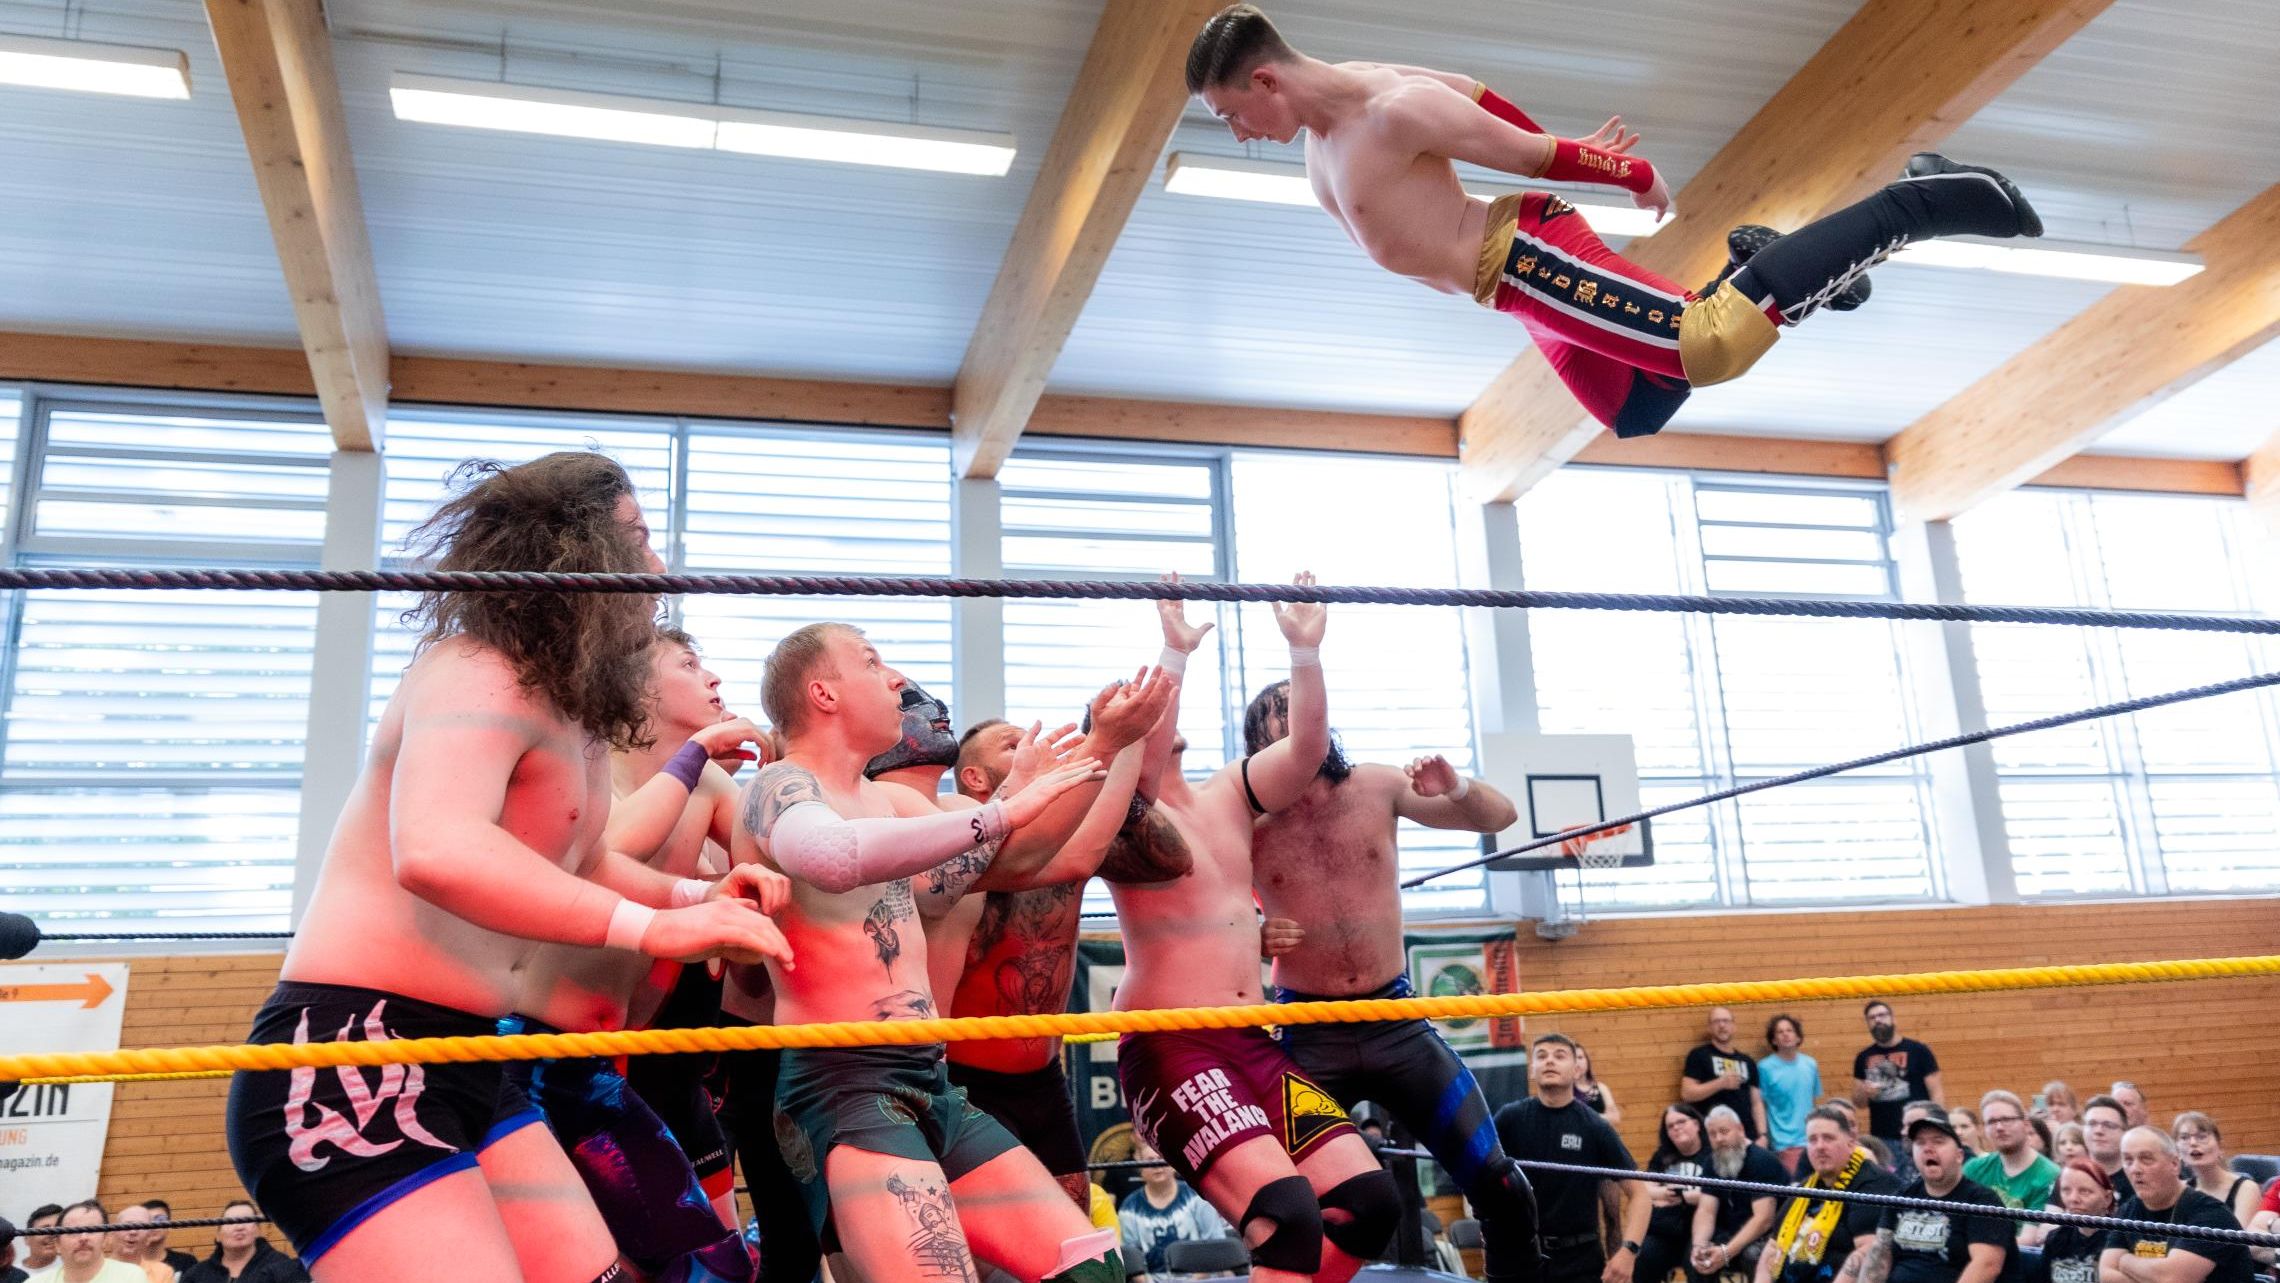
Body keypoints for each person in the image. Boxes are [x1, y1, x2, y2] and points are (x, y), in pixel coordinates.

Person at [222, 454, 792, 1283]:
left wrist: (701, 895)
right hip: (355, 1052)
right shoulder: (475, 667)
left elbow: (588, 861)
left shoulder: (577, 713)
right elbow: (437, 847)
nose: (659, 567)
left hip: (479, 1064)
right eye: (637, 538)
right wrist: (658, 925)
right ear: (578, 552)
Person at [1181, 6, 2041, 441]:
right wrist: (1544, 136)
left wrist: (1620, 168)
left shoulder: (1385, 110)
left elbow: (1510, 151)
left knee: (1710, 346)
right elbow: (1475, 96)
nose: (1239, 134)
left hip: (1523, 257)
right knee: (1637, 404)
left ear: (1265, 81)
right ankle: (1767, 267)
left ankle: (1926, 199)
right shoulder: (1326, 134)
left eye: (1230, 115)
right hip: (1509, 293)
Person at [734, 621, 1118, 1281]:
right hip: (843, 1081)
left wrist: (1031, 784)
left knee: (1091, 1263)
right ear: (822, 692)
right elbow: (830, 855)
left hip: (928, 1078)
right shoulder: (778, 785)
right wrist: (1002, 809)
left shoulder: (885, 798)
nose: (899, 681)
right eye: (872, 660)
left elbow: (997, 858)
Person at [1111, 576, 1404, 1283]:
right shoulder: (1126, 812)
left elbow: (1305, 751)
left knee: (1370, 1202)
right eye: (1139, 703)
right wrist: (1173, 657)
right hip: (1171, 1045)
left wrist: (1305, 652)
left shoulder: (1229, 794)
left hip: (1251, 1039)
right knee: (1285, 1211)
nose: (1155, 704)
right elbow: (1140, 770)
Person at [1243, 623, 1541, 1282]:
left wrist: (1458, 787)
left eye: (1296, 712)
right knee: (1291, 1204)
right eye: (1271, 722)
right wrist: (1246, 932)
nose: (1288, 729)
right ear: (1255, 746)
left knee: (1500, 1183)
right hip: (1307, 1032)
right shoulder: (1249, 822)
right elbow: (1201, 911)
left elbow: (1499, 818)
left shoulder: (1376, 787)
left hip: (1397, 1023)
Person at [499, 624, 785, 1283]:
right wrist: (691, 756)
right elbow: (603, 858)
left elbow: (769, 873)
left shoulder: (711, 783)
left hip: (599, 1062)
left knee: (711, 1266)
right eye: (690, 663)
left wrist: (780, 791)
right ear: (635, 683)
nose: (714, 679)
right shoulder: (588, 762)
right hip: (518, 1052)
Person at [889, 673, 1180, 1215]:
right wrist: (1114, 743)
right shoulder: (944, 822)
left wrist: (1126, 739)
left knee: (1072, 1233)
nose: (1035, 747)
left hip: (1043, 1077)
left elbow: (1107, 852)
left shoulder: (1058, 833)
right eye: (1014, 743)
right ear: (973, 775)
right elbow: (1049, 852)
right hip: (957, 1074)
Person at [1495, 1034, 1654, 1283]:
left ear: (1577, 1068)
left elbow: (1640, 1195)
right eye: (1542, 1056)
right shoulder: (1509, 1119)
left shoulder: (1595, 1126)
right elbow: (1478, 1172)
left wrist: (1628, 1252)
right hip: (1521, 1257)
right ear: (1532, 1069)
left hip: (1580, 1262)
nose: (1549, 1061)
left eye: (1559, 1056)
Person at [1842, 1107, 2012, 1283]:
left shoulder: (1981, 1201)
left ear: (1959, 1156)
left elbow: (1987, 1266)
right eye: (1920, 1143)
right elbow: (1878, 1257)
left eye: (1938, 1141)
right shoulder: (1902, 1197)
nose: (1928, 1148)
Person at [1757, 1106, 1902, 1283]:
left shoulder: (1873, 1184)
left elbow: (1867, 1252)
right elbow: (1773, 1246)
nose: (1820, 1147)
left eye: (1828, 1138)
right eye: (1812, 1140)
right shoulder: (1806, 1187)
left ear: (1851, 1142)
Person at [2101, 1127, 2253, 1283]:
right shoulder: (2129, 1209)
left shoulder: (2210, 1214)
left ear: (2174, 1164)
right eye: (2128, 1160)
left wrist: (2125, 1261)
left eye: (2146, 1159)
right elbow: (2106, 1275)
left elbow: (2172, 1278)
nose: (2135, 1169)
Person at [1689, 1107, 1786, 1283]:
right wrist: (1699, 1245)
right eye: (1712, 1134)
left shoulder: (1762, 1161)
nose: (1719, 1139)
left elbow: (1764, 1220)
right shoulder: (1711, 1162)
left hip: (1768, 1237)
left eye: (1724, 1131)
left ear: (1740, 1129)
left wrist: (1727, 1252)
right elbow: (1706, 1211)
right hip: (1732, 1235)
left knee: (1752, 1256)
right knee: (1699, 1257)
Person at [1119, 1140, 1237, 1278]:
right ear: (1139, 1167)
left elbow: (1216, 1247)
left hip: (1201, 1280)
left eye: (1161, 1159)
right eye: (1149, 1161)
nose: (1157, 1166)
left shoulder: (1197, 1197)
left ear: (1173, 1165)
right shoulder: (1129, 1208)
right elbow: (1134, 1263)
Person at [1852, 1002, 1942, 1157]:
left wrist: (1938, 1126)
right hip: (1882, 1137)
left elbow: (1936, 1092)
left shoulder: (1919, 1050)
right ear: (1868, 1024)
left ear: (1893, 1019)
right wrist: (1865, 1092)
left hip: (1917, 1132)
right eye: (1872, 1018)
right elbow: (1859, 1103)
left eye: (1882, 1015)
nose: (1878, 1020)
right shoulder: (1863, 1057)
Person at [1963, 1091, 2059, 1233]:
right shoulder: (1973, 1169)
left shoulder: (2050, 1175)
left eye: (2006, 1119)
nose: (1999, 1127)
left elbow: (2028, 1241)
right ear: (1984, 1130)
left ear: (2026, 1125)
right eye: (1992, 1122)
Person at [1640, 1104, 1713, 1283]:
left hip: (1700, 1231)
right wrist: (1665, 1193)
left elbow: (1714, 1193)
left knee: (1698, 1262)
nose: (1676, 1128)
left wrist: (1681, 1197)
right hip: (1666, 1229)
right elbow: (1645, 1189)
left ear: (1696, 1124)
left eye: (1681, 1122)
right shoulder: (1662, 1155)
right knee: (1641, 1256)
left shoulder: (1711, 1154)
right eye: (1670, 1126)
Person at [1684, 1009, 1769, 1143]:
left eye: (1726, 1021)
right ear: (1710, 1028)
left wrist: (1763, 1135)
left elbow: (1756, 1102)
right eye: (1716, 1021)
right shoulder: (1699, 1055)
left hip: (1747, 1135)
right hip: (1716, 1136)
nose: (1722, 1025)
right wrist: (1720, 1084)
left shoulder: (1747, 1061)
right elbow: (1687, 1093)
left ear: (1733, 1026)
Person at [2023, 1161, 2114, 1280]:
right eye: (2066, 1190)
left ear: (2107, 1198)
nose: (2073, 1199)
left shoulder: (2118, 1240)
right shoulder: (2056, 1239)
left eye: (2084, 1191)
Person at [177, 1202, 307, 1283]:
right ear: (218, 1236)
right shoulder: (197, 1274)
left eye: (246, 1220)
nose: (239, 1227)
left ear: (257, 1230)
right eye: (231, 1222)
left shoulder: (281, 1266)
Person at [2171, 1114, 2259, 1232]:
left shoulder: (2247, 1188)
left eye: (2202, 1137)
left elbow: (2241, 1243)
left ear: (2220, 1146)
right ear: (2177, 1152)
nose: (2192, 1143)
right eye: (2184, 1138)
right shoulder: (2179, 1189)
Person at [1758, 1016, 1821, 1176]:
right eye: (1780, 1032)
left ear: (1798, 1036)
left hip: (1811, 1140)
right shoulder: (1765, 1068)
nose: (1785, 1034)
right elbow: (1760, 1105)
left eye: (1789, 1030)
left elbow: (1813, 1102)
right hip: (1784, 1144)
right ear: (1774, 1040)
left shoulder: (1810, 1064)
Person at [32, 1202, 147, 1283]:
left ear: (106, 1238)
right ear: (57, 1244)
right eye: (73, 1231)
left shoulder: (131, 1277)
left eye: (92, 1230)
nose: (83, 1237)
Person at [2080, 1096, 2134, 1204]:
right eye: (2092, 1124)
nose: (2098, 1131)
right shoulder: (2069, 1177)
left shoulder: (2136, 1178)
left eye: (2108, 1125)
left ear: (2124, 1132)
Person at [101, 1205, 168, 1283]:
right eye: (127, 1226)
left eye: (140, 1227)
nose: (133, 1232)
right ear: (112, 1235)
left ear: (148, 1238)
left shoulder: (162, 1272)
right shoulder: (94, 1269)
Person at [134, 1204, 197, 1279]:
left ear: (169, 1226)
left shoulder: (186, 1262)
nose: (153, 1225)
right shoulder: (129, 1264)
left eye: (160, 1220)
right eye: (147, 1221)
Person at [1579, 1048, 1625, 1126]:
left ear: (1587, 1061)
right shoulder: (1563, 1090)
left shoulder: (1601, 1088)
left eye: (1580, 1057)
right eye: (1574, 1058)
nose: (1577, 1062)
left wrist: (1589, 1117)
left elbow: (1615, 1118)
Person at [18, 1207, 60, 1277]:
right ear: (27, 1238)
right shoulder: (8, 1274)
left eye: (58, 1229)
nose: (53, 1234)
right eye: (45, 1229)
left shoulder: (69, 1272)